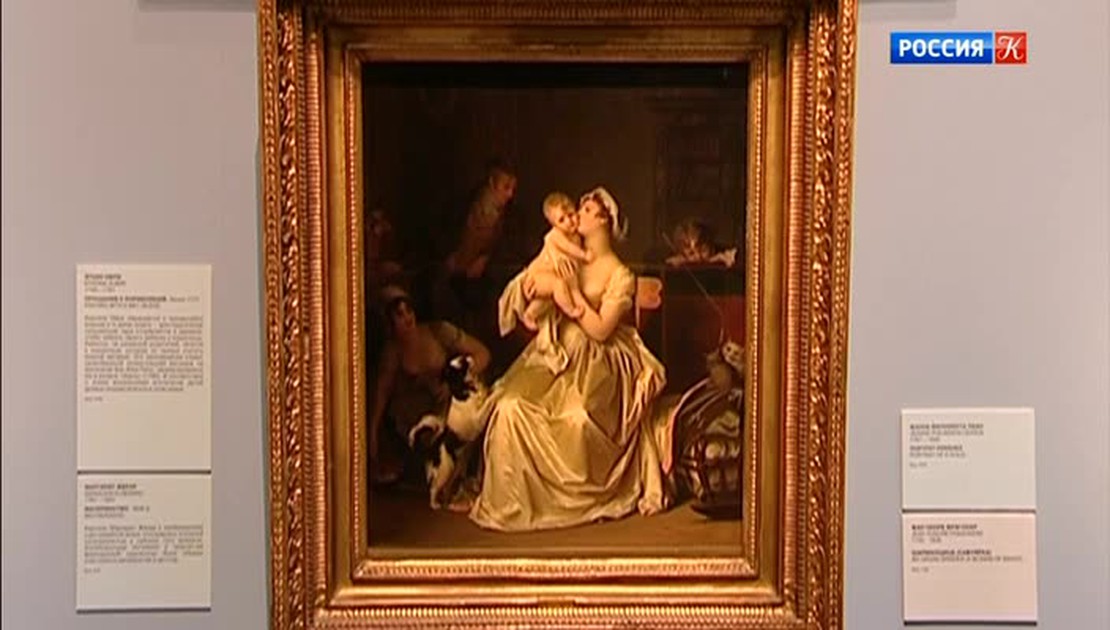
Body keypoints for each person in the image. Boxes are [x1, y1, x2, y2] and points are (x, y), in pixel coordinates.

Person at [468, 187, 671, 532]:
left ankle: (573, 500)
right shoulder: (567, 253)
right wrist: (534, 289)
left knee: (578, 419)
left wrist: (572, 295)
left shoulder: (619, 274)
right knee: (509, 407)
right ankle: (516, 504)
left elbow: (602, 330)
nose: (577, 214)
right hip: (556, 351)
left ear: (604, 220)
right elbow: (539, 282)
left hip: (600, 361)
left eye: (587, 209)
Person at [368, 285, 491, 484]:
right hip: (417, 416)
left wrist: (458, 376)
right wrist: (373, 434)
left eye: (408, 310)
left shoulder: (439, 331)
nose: (407, 318)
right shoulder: (392, 353)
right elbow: (382, 393)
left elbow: (482, 353)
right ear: (390, 323)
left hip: (451, 403)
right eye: (399, 315)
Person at [496, 192, 591, 373]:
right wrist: (584, 255)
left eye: (571, 215)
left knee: (549, 298)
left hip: (550, 277)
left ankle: (531, 314)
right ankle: (570, 309)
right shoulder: (555, 236)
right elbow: (568, 249)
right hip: (537, 274)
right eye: (562, 220)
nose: (569, 221)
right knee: (557, 285)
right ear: (553, 224)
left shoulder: (577, 236)